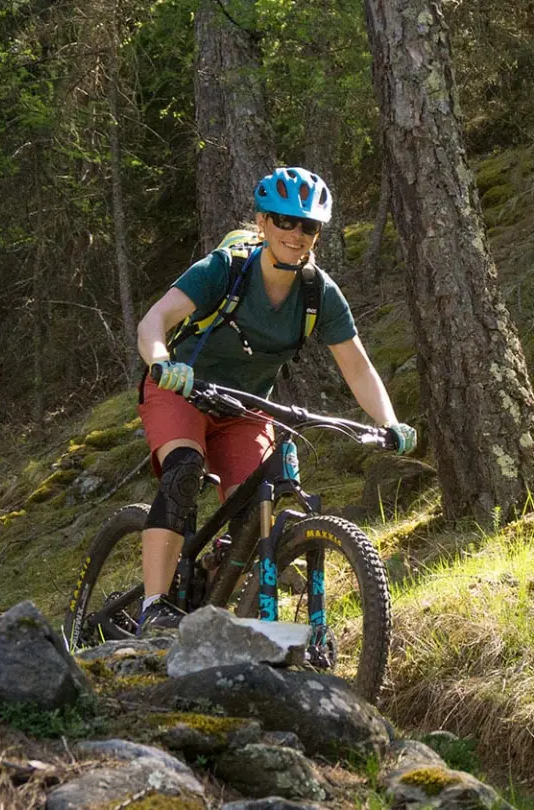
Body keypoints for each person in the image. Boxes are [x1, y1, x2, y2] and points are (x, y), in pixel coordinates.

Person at [133, 167, 416, 633]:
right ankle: (153, 607)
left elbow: (358, 367)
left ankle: (215, 580)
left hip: (244, 408)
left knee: (258, 513)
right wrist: (163, 362)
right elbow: (153, 322)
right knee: (183, 469)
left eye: (308, 225)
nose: (295, 233)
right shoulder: (224, 270)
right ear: (263, 222)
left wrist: (389, 422)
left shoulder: (318, 293)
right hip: (181, 390)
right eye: (284, 221)